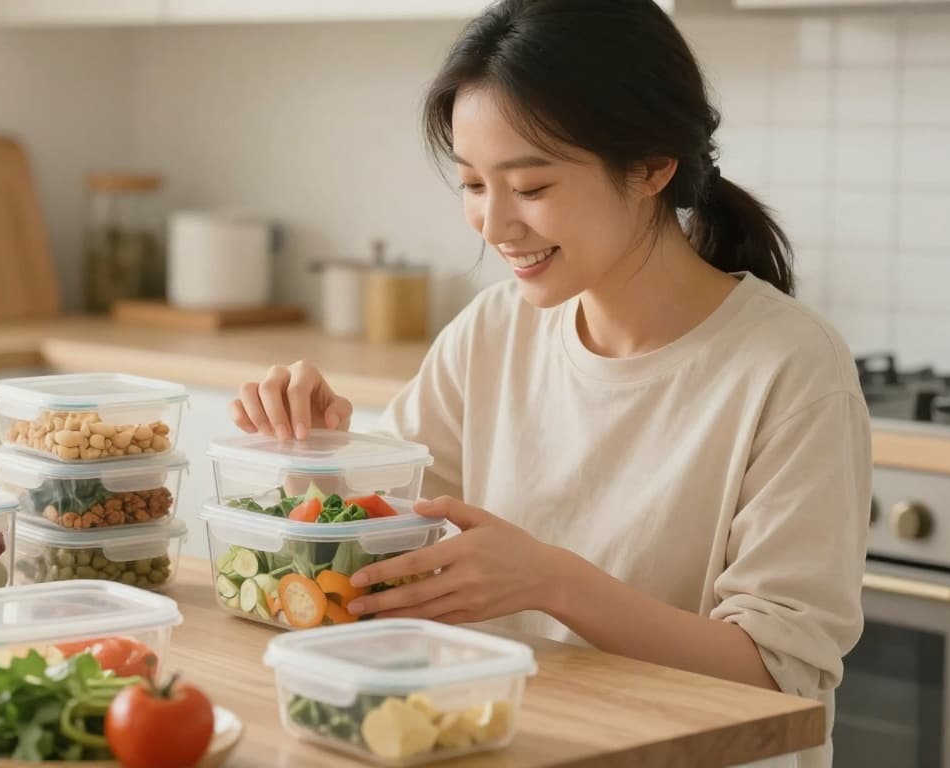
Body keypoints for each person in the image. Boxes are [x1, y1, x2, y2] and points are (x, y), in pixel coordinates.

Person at [229, 1, 870, 765]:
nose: (494, 226)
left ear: (651, 166)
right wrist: (321, 447)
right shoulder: (494, 330)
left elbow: (780, 675)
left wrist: (553, 582)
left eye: (530, 187)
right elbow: (387, 537)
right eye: (472, 184)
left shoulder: (792, 369)